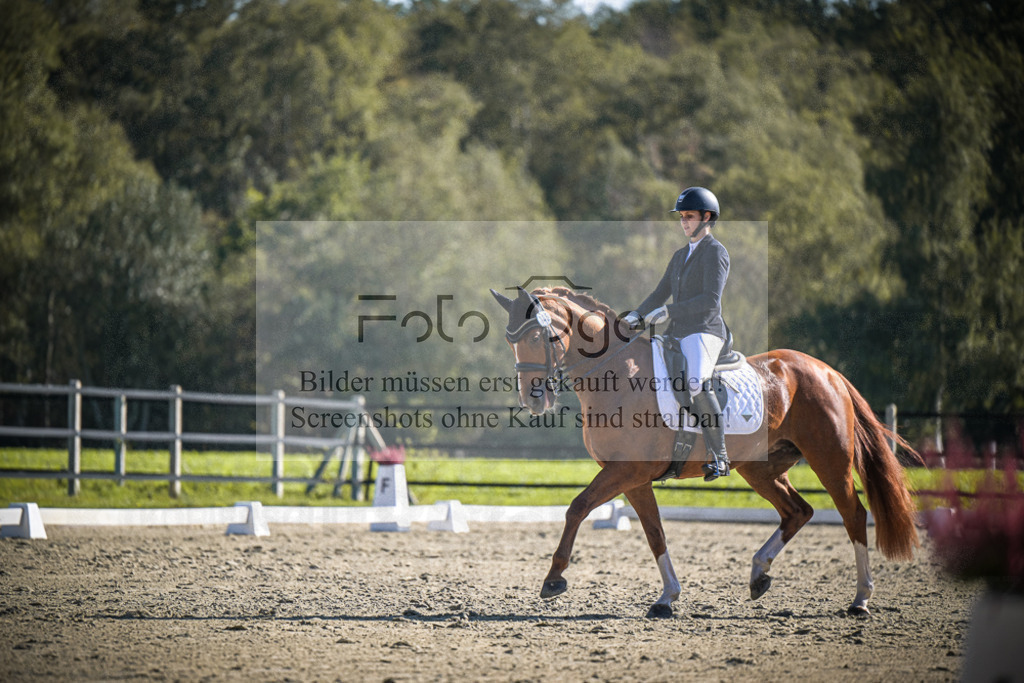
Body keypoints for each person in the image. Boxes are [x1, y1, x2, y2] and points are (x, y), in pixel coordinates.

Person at [623, 187, 731, 481]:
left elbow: (710, 301)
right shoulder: (680, 255)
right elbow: (660, 293)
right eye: (682, 217)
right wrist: (636, 315)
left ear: (706, 218)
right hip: (678, 333)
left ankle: (720, 456)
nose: (684, 222)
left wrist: (670, 312)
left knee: (696, 381)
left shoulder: (716, 253)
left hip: (704, 331)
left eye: (689, 216)